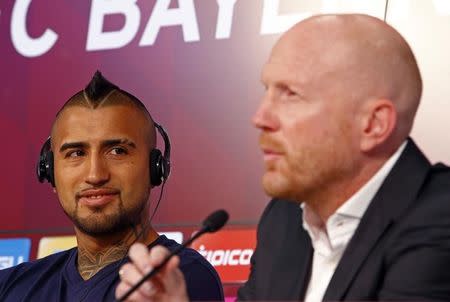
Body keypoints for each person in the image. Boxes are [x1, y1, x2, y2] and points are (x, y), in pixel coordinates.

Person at [115, 13, 450, 301]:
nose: (260, 117)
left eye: (290, 94)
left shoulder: (439, 218)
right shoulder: (284, 219)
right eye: (267, 91)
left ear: (373, 125)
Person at [0, 71, 224, 301]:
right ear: (49, 171)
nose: (95, 175)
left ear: (155, 169)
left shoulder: (177, 279)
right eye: (76, 153)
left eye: (117, 151)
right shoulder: (10, 286)